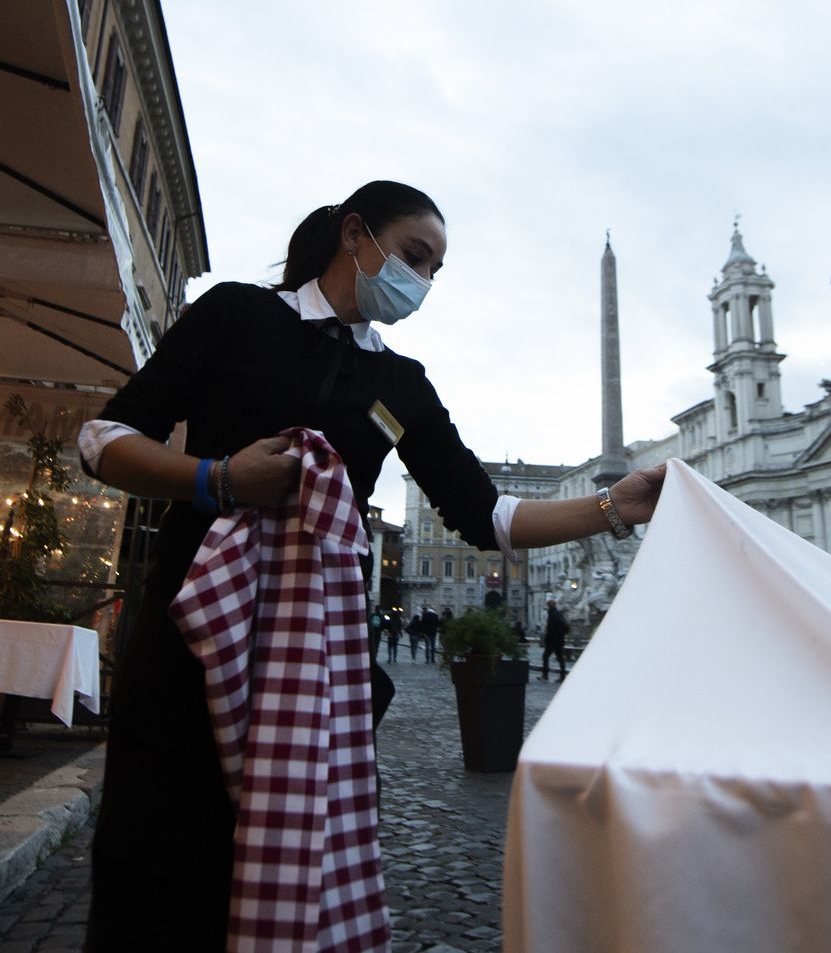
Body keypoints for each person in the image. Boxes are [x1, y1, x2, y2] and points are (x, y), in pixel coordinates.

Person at [76, 180, 666, 949]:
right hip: (192, 628)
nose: (421, 282)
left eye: (435, 272)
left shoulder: (401, 386)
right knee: (160, 840)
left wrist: (614, 506)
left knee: (289, 843)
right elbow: (104, 438)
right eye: (414, 257)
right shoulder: (236, 314)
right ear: (355, 235)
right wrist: (214, 479)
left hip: (317, 656)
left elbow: (489, 516)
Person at [542, 597, 570, 681]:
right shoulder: (558, 613)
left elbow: (550, 629)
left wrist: (547, 639)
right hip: (560, 639)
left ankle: (545, 675)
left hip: (552, 640)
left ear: (549, 605)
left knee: (545, 656)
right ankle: (562, 676)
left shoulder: (552, 614)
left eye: (548, 604)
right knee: (560, 658)